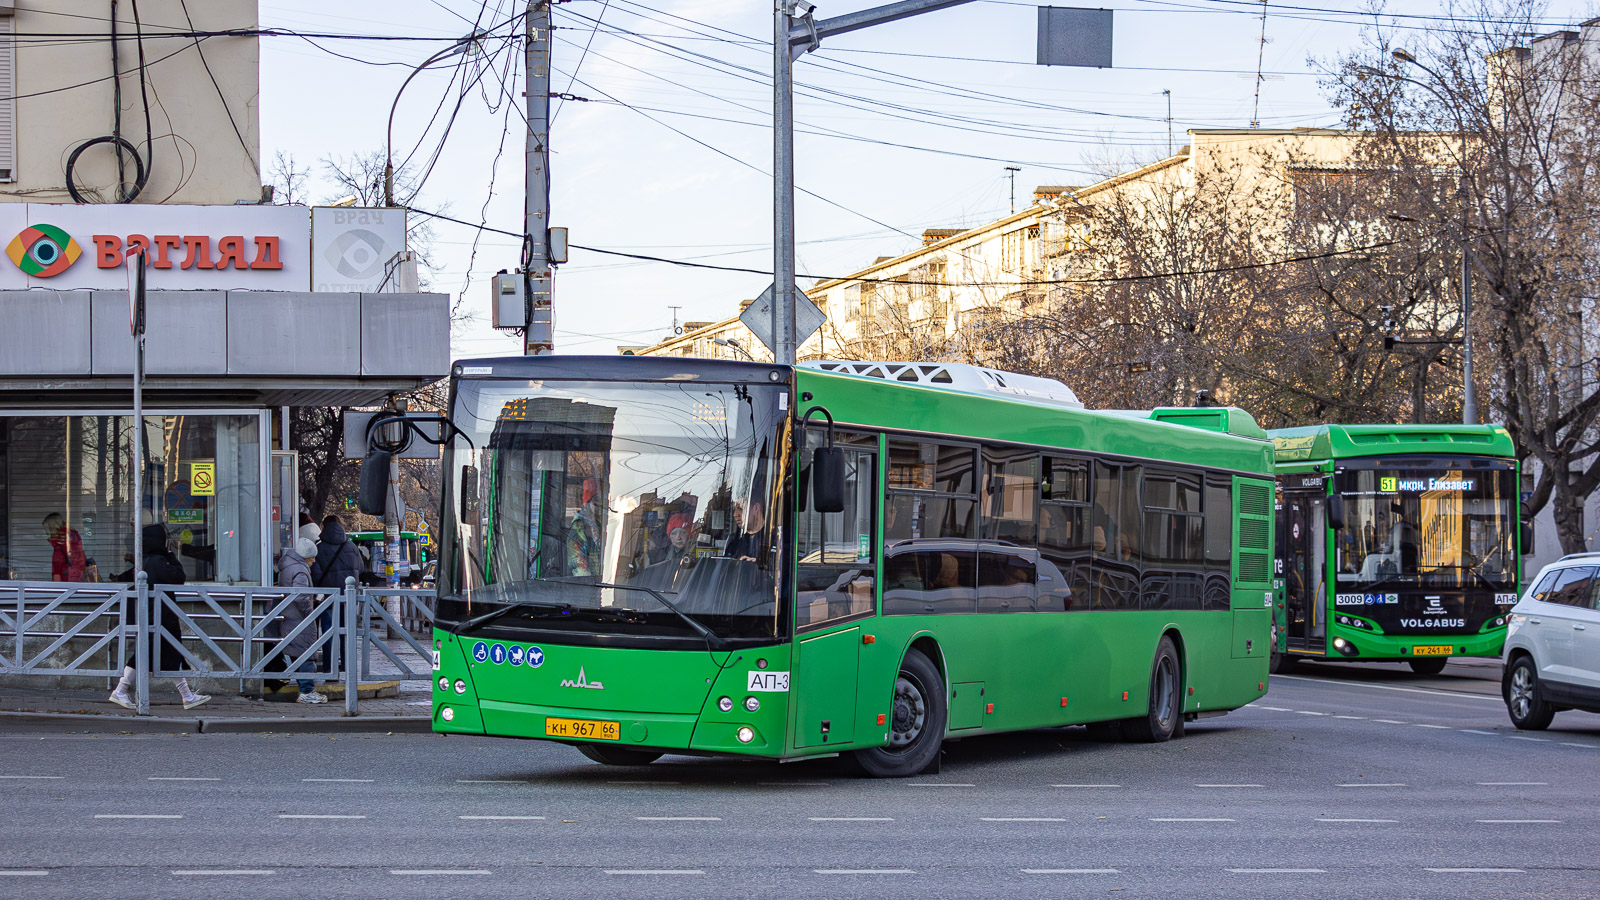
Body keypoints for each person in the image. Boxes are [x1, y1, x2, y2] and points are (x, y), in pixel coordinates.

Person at [108, 524, 210, 710]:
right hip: (160, 616)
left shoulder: (144, 561)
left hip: (152, 615)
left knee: (162, 654)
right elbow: (179, 576)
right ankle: (121, 691)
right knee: (161, 652)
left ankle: (186, 695)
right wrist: (170, 554)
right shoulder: (158, 561)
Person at [275, 537, 327, 704]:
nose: (313, 561)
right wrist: (310, 612)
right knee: (307, 653)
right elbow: (301, 596)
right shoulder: (300, 569)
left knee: (298, 652)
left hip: (289, 615)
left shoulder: (287, 565)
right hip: (299, 617)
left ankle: (305, 688)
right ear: (306, 556)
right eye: (312, 557)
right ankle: (307, 690)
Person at [566, 479, 604, 579]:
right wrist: (590, 584)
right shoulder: (579, 526)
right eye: (596, 504)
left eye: (602, 504)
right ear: (587, 504)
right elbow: (577, 561)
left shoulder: (599, 524)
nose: (600, 508)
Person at [44, 513, 87, 582]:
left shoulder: (59, 543)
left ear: (52, 528)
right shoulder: (74, 538)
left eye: (47, 530)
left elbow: (57, 571)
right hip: (78, 579)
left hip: (66, 582)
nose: (46, 533)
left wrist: (56, 589)